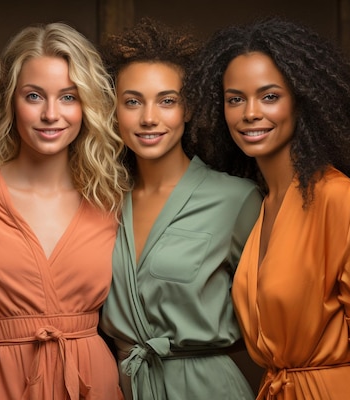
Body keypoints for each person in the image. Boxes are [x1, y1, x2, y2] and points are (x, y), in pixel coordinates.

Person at [188, 16, 350, 399]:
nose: (250, 113)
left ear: (302, 101)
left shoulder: (337, 197)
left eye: (269, 96)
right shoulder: (261, 203)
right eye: (235, 99)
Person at [0, 22, 129, 399]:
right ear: (10, 101)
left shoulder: (110, 197)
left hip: (91, 381)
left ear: (87, 104)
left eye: (68, 97)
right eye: (34, 96)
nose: (51, 114)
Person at [98, 18, 263, 400]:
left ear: (188, 110)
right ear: (113, 109)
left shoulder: (235, 200)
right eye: (133, 101)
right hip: (121, 386)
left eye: (167, 101)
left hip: (207, 388)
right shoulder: (100, 199)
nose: (149, 118)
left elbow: (276, 318)